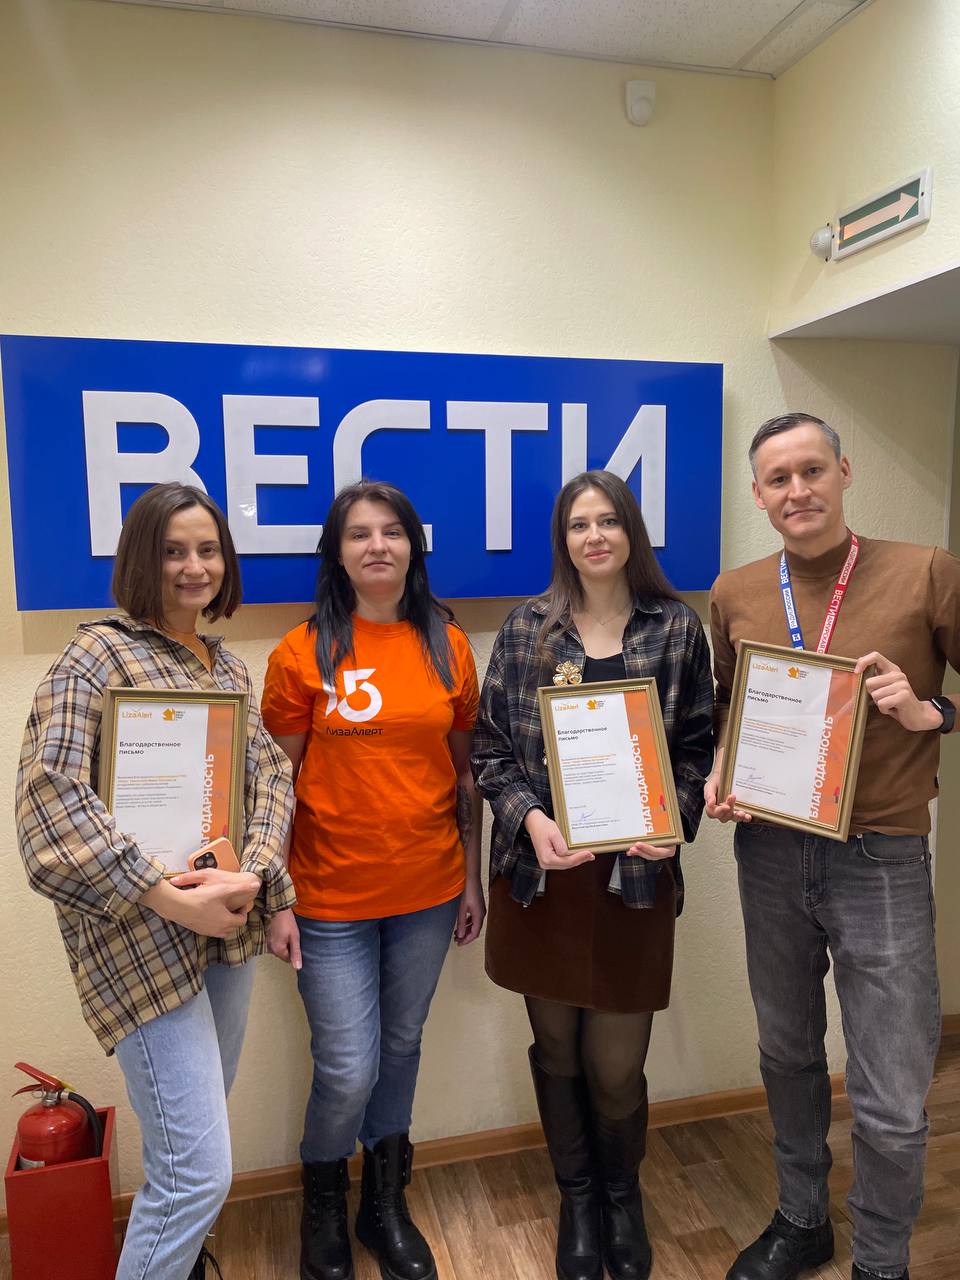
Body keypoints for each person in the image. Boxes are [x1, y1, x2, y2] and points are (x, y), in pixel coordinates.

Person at [16, 482, 296, 1280]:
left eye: (207, 549)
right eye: (173, 551)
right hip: (140, 943)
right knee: (196, 1175)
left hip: (225, 931)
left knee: (189, 1153)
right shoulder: (94, 657)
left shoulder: (227, 666)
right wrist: (164, 893)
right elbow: (50, 800)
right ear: (142, 557)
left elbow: (271, 780)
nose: (193, 566)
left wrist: (257, 875)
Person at [706, 413, 960, 1280]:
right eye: (778, 479)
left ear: (844, 472)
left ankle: (882, 1260)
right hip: (771, 853)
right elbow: (728, 708)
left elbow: (944, 703)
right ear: (758, 494)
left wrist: (930, 712)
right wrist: (721, 770)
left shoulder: (927, 571)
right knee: (787, 1053)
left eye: (812, 470)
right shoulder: (736, 590)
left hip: (879, 858)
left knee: (889, 1090)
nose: (798, 490)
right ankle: (802, 1219)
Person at [472, 470, 714, 1280]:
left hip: (634, 886)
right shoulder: (527, 630)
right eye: (579, 524)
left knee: (615, 1067)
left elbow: (697, 748)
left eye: (608, 520)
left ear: (630, 531)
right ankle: (577, 1198)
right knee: (558, 1052)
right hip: (544, 881)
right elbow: (489, 752)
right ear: (563, 540)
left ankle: (621, 1195)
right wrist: (530, 821)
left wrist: (674, 820)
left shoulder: (676, 629)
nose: (595, 536)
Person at [261, 479, 484, 1280]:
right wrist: (274, 898)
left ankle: (384, 1204)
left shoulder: (447, 646)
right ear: (337, 552)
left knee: (401, 1046)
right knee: (347, 1064)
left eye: (392, 531)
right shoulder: (299, 653)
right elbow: (273, 791)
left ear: (413, 548)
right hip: (328, 899)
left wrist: (473, 880)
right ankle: (323, 1201)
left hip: (429, 889)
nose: (378, 545)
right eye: (359, 533)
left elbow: (466, 777)